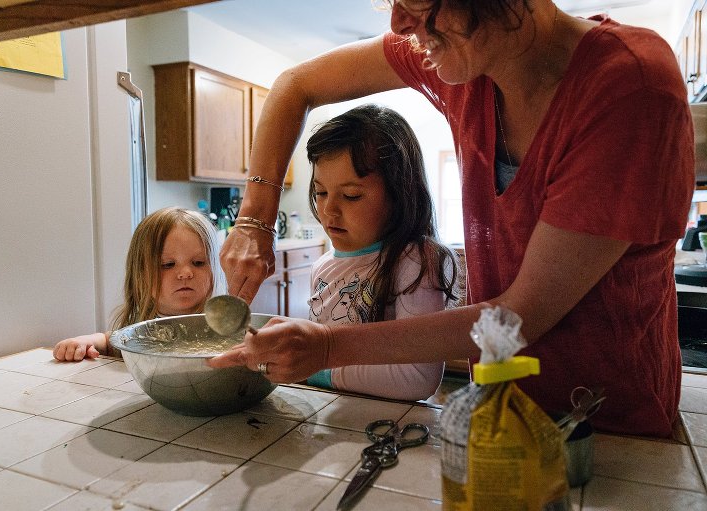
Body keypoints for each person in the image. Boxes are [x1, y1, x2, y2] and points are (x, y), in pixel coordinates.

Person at [212, 0, 694, 437]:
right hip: (503, 405)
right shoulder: (464, 62)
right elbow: (294, 85)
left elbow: (517, 317)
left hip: (606, 421)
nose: (400, 22)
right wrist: (254, 219)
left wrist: (326, 349)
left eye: (417, 2)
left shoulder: (630, 85)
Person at [301, 104, 464, 401]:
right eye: (320, 192)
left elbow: (417, 377)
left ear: (399, 194)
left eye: (351, 195)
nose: (328, 210)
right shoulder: (322, 266)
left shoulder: (416, 261)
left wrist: (314, 368)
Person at [53, 207, 227, 361]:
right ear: (140, 274)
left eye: (198, 262)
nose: (185, 273)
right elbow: (108, 342)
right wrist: (85, 342)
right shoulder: (140, 331)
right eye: (167, 265)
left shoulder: (226, 327)